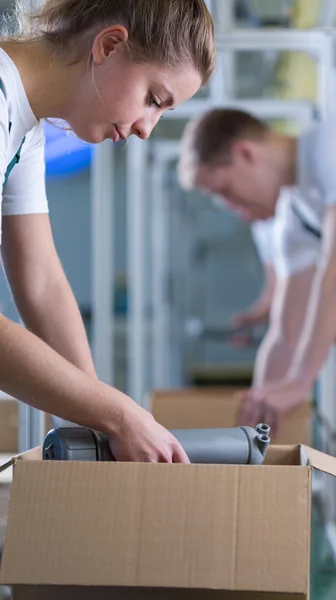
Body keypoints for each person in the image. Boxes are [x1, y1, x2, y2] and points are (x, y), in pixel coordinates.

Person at [0, 0, 215, 462]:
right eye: (154, 99)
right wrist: (116, 415)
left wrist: (95, 431)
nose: (145, 129)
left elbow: (41, 283)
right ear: (109, 45)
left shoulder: (26, 130)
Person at [178, 106, 336, 459]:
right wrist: (257, 414)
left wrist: (299, 381)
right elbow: (285, 333)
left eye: (226, 190)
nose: (232, 207)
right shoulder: (293, 217)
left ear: (245, 154)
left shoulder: (335, 141)